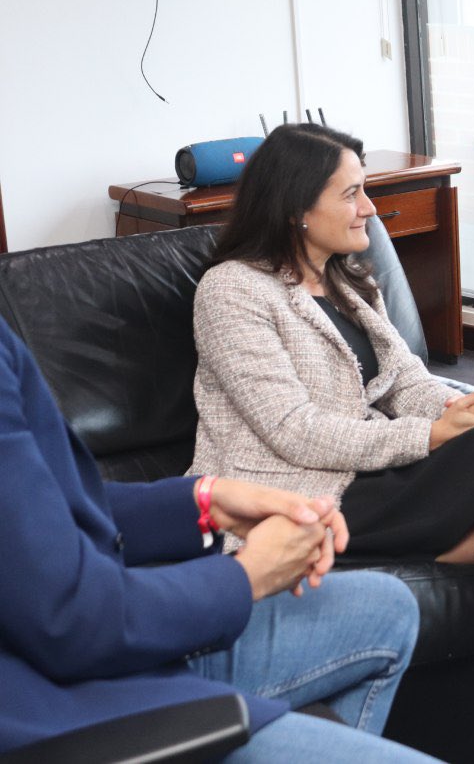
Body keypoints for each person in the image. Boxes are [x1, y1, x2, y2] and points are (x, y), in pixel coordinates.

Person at [187, 123, 474, 733]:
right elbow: (292, 429)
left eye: (365, 190)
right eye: (351, 194)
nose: (369, 208)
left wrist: (457, 411)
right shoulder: (232, 290)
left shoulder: (346, 281)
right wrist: (430, 437)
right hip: (293, 493)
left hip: (362, 475)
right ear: (295, 210)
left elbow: (404, 381)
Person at [0, 315, 437, 761]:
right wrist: (247, 577)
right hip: (60, 710)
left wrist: (206, 500)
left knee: (387, 607)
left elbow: (45, 507)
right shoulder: (232, 295)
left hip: (96, 653)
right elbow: (72, 618)